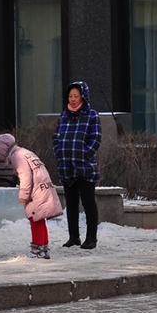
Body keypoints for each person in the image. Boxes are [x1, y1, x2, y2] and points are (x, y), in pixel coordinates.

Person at [0, 133, 63, 259]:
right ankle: (43, 248)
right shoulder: (24, 152)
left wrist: (24, 196)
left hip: (35, 190)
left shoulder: (17, 157)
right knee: (40, 218)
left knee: (35, 218)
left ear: (2, 150)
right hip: (43, 187)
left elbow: (25, 177)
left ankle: (37, 249)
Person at [52, 80, 102, 250]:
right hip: (66, 166)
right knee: (71, 204)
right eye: (70, 96)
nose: (72, 99)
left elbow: (96, 139)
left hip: (85, 167)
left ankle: (91, 238)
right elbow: (56, 138)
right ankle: (74, 237)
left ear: (83, 97)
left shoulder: (91, 115)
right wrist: (59, 153)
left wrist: (84, 155)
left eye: (76, 96)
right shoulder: (64, 115)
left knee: (88, 203)